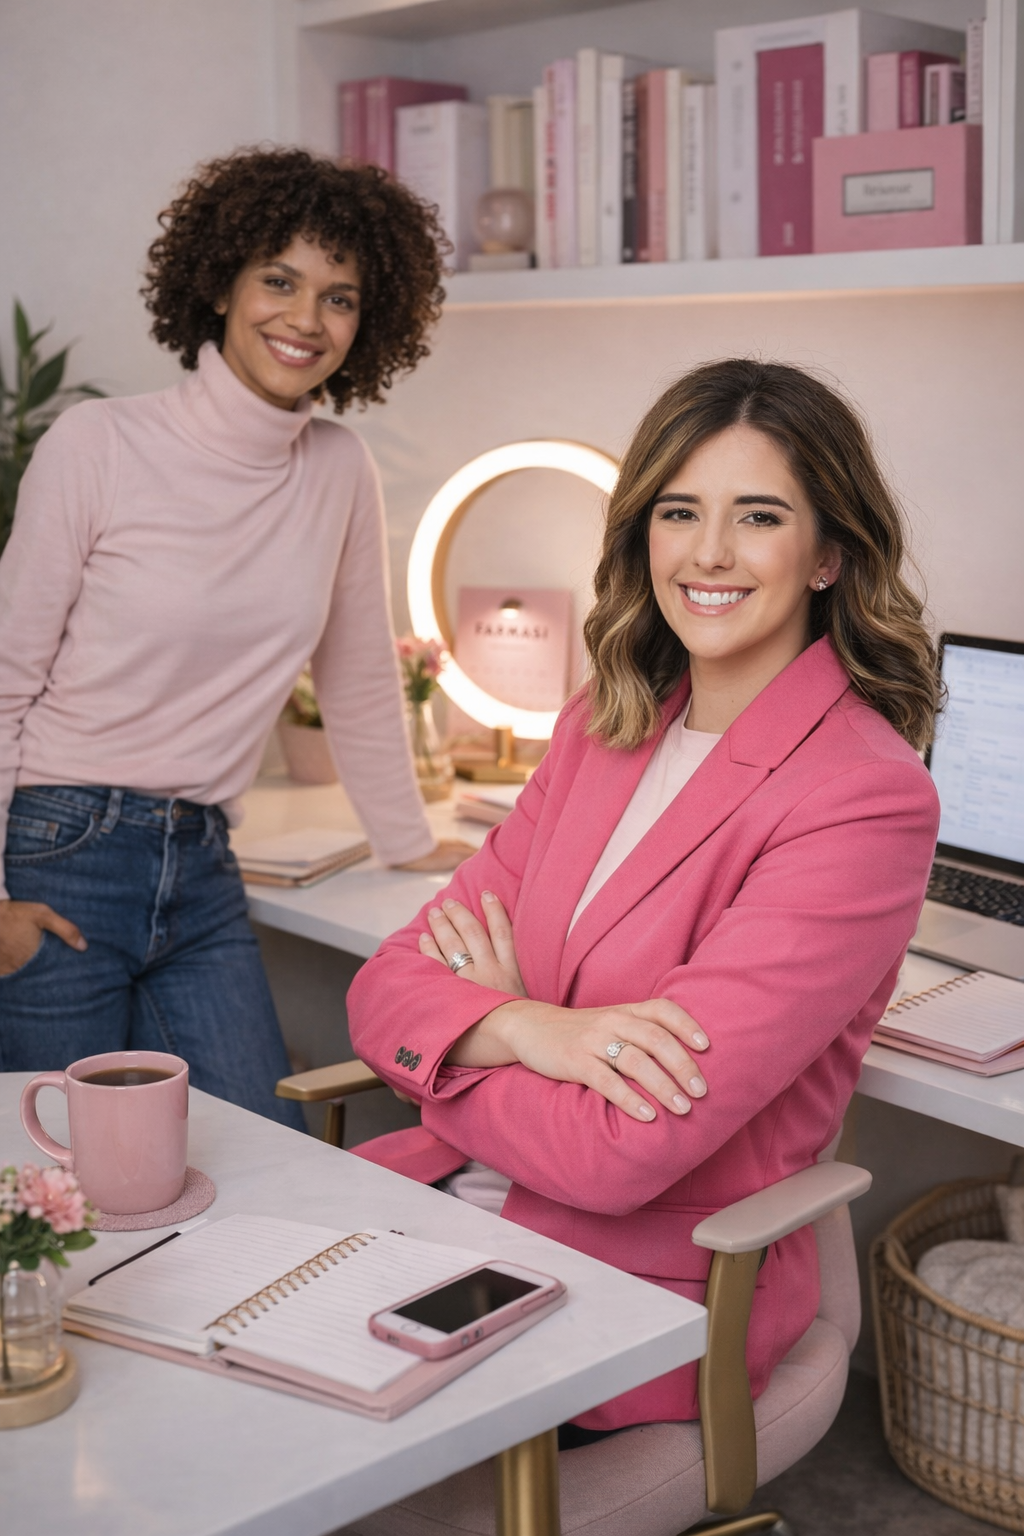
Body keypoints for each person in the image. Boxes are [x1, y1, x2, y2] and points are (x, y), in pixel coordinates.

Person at [346, 358, 942, 1433]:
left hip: (628, 1282)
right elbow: (384, 988)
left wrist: (455, 1046)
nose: (708, 553)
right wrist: (536, 1029)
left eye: (757, 515)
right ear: (644, 535)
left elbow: (618, 1157)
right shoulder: (604, 724)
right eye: (680, 511)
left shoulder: (863, 797)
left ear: (828, 555)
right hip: (442, 1208)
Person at [0, 148, 472, 1125]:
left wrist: (409, 840)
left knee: (271, 1154)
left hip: (203, 863)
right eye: (279, 280)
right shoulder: (98, 446)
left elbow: (355, 676)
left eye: (339, 297)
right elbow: (3, 675)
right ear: (218, 284)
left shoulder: (339, 470)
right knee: (78, 1182)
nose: (305, 318)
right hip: (58, 855)